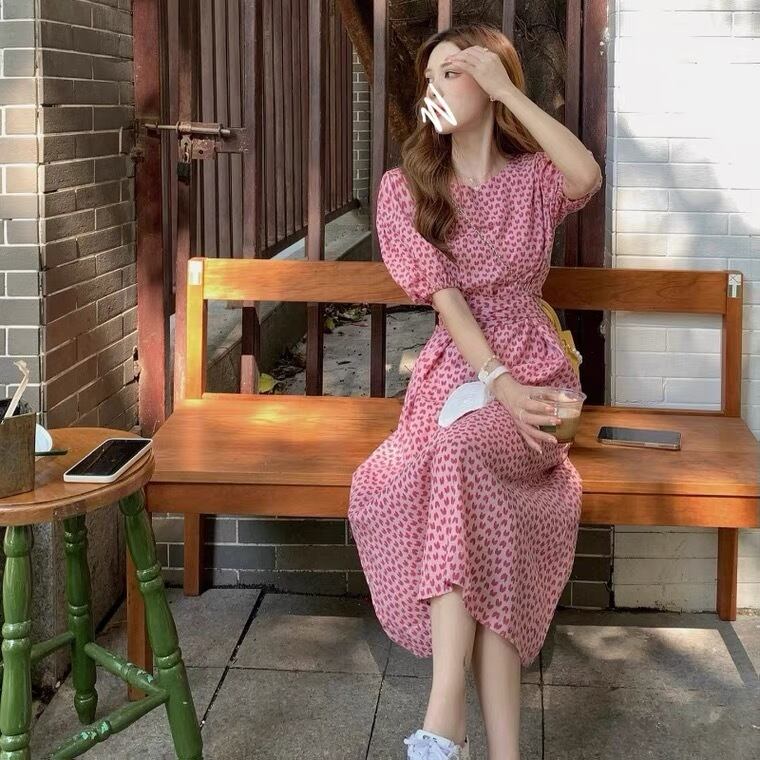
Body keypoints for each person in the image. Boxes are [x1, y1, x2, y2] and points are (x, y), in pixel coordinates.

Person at [348, 22, 602, 760]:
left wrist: (506, 92)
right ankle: (480, 737)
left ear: (490, 81)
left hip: (539, 372)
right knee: (457, 476)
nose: (438, 86)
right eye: (431, 77)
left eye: (454, 72)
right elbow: (447, 299)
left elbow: (585, 174)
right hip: (459, 371)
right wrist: (496, 381)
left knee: (461, 462)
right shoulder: (406, 189)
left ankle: (444, 719)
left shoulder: (533, 180)